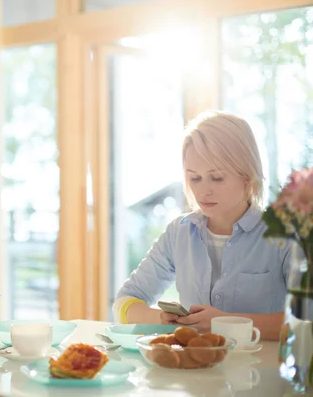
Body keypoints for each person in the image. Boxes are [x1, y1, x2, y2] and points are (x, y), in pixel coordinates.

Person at [112, 110, 292, 340]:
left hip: (260, 374)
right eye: (194, 178)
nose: (203, 190)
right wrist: (160, 319)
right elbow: (123, 303)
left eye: (216, 177)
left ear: (247, 176)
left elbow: (305, 322)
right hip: (192, 370)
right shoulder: (179, 233)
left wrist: (225, 324)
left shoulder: (284, 235)